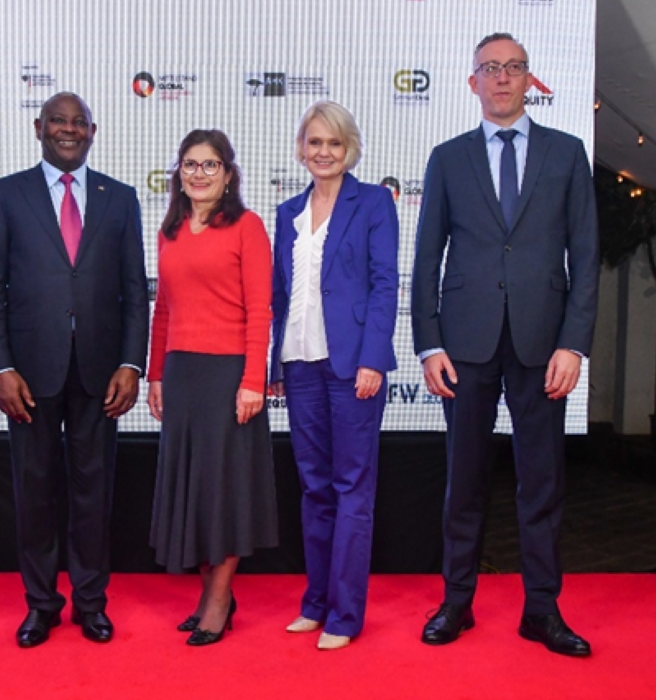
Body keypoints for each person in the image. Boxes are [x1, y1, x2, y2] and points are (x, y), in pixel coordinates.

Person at [411, 33, 600, 657]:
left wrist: (575, 344)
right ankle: (456, 603)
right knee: (464, 480)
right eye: (489, 69)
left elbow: (587, 256)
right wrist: (428, 344)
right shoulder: (447, 158)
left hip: (544, 344)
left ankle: (542, 611)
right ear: (472, 83)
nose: (500, 78)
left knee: (541, 482)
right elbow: (426, 258)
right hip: (463, 345)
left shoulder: (568, 154)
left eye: (512, 68)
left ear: (530, 80)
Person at [0, 92, 149, 648]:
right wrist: (0, 366)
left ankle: (91, 603)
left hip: (101, 372)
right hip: (28, 373)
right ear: (38, 127)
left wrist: (130, 361)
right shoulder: (5, 195)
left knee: (94, 493)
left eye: (78, 123)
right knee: (35, 491)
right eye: (58, 122)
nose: (68, 130)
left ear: (92, 132)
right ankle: (41, 605)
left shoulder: (119, 199)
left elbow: (133, 290)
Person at [268, 101, 399, 651]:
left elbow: (384, 283)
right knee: (314, 488)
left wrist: (373, 358)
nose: (324, 152)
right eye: (315, 142)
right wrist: (275, 361)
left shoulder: (372, 203)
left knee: (351, 490)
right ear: (301, 148)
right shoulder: (286, 212)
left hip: (351, 368)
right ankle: (315, 603)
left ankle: (345, 615)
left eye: (335, 143)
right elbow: (280, 295)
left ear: (350, 150)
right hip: (299, 365)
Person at [146, 129, 278, 647]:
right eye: (190, 164)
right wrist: (155, 372)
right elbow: (164, 310)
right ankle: (207, 595)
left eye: (210, 165)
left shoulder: (247, 227)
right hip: (182, 377)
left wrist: (253, 383)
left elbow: (260, 311)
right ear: (179, 171)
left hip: (229, 378)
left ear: (228, 174)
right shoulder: (170, 229)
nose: (199, 173)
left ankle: (220, 599)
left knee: (224, 492)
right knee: (193, 492)